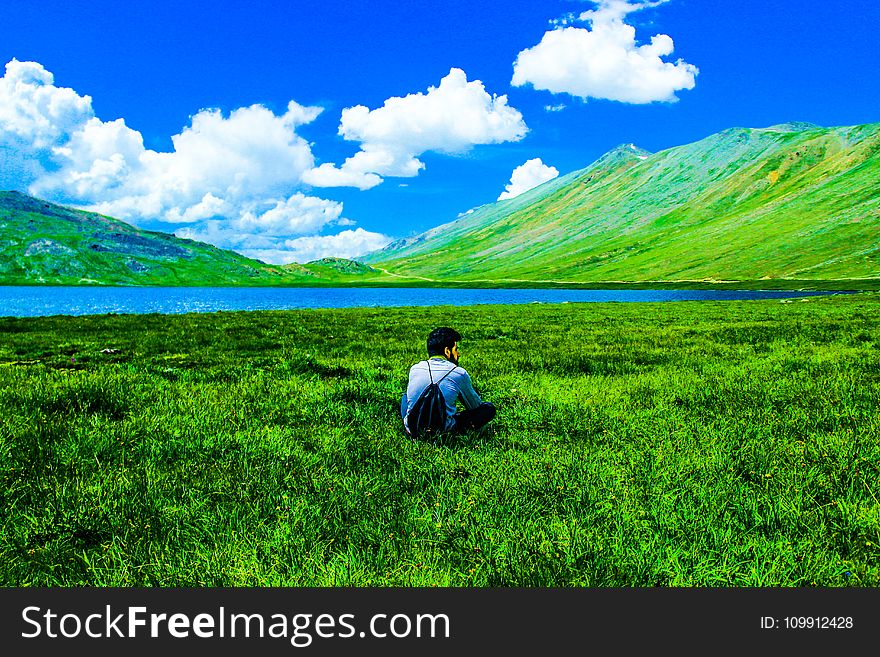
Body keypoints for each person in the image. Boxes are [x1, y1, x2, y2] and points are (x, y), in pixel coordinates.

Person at [400, 327, 496, 436]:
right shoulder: (459, 373)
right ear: (447, 351)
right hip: (442, 430)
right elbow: (475, 406)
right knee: (488, 409)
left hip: (414, 429)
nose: (458, 354)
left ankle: (408, 429)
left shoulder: (415, 368)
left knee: (405, 397)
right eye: (456, 349)